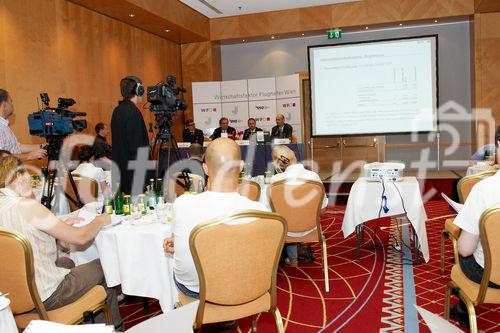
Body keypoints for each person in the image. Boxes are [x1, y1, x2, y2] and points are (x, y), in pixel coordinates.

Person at [0, 156, 122, 329]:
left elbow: (27, 229)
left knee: (67, 262)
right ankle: (115, 328)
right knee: (105, 266)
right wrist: (101, 220)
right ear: (19, 176)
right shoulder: (27, 206)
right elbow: (80, 237)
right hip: (45, 297)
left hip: (12, 298)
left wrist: (61, 223)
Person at [163, 138, 269, 298]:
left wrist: (179, 244)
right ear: (241, 166)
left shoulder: (182, 204)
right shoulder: (260, 212)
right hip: (247, 288)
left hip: (196, 290)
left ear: (205, 168)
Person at [451, 150, 500, 328]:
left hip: (491, 276)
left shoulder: (484, 189)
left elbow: (465, 250)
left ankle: (463, 309)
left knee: (464, 254)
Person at [271, 145, 328, 267]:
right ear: (294, 155)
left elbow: (271, 212)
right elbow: (323, 209)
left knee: (282, 219)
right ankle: (293, 258)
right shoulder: (314, 177)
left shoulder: (275, 181)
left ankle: (289, 259)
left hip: (284, 232)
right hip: (311, 229)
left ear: (278, 164)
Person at [111, 76, 150, 195]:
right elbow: (138, 149)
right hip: (134, 177)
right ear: (138, 90)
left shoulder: (117, 111)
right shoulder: (133, 113)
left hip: (122, 173)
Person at [0, 89, 47, 161]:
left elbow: (17, 147)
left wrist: (42, 146)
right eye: (10, 101)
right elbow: (2, 157)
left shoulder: (4, 126)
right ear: (4, 104)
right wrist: (28, 156)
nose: (12, 105)